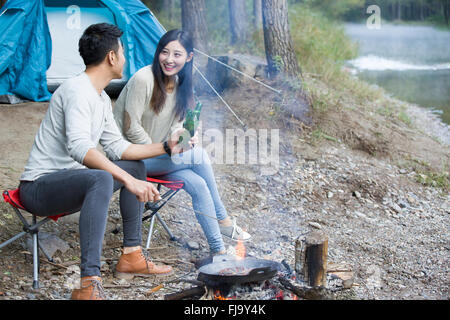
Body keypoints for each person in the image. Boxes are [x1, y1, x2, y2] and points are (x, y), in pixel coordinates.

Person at [18, 23, 187, 300]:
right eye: (122, 52)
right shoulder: (76, 90)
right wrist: (129, 182)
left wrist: (166, 147)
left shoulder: (100, 98)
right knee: (102, 176)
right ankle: (88, 283)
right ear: (111, 57)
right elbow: (80, 148)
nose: (125, 58)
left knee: (134, 167)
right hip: (38, 188)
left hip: (70, 182)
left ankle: (131, 255)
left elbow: (119, 147)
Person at [113, 29, 251, 257]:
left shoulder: (181, 84)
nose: (169, 59)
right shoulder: (143, 79)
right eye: (164, 52)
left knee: (198, 182)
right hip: (131, 158)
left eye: (177, 54)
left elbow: (178, 127)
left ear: (189, 57)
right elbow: (130, 127)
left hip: (161, 159)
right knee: (199, 157)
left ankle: (218, 250)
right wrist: (160, 149)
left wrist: (187, 136)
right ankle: (224, 220)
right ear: (158, 53)